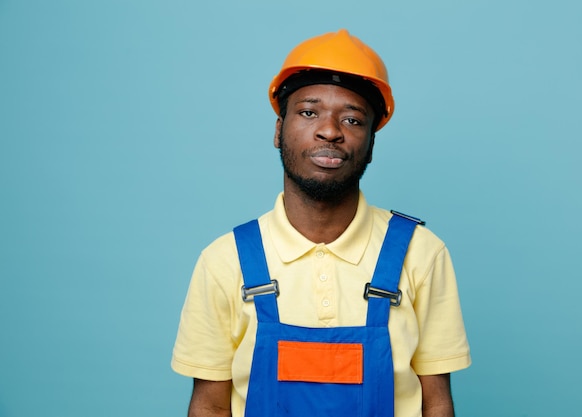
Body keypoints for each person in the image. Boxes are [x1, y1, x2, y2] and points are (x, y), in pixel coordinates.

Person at [171, 29, 471, 417]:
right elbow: (209, 406)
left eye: (352, 119)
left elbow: (437, 403)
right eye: (309, 112)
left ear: (371, 145)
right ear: (279, 130)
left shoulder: (421, 253)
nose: (329, 130)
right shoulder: (225, 261)